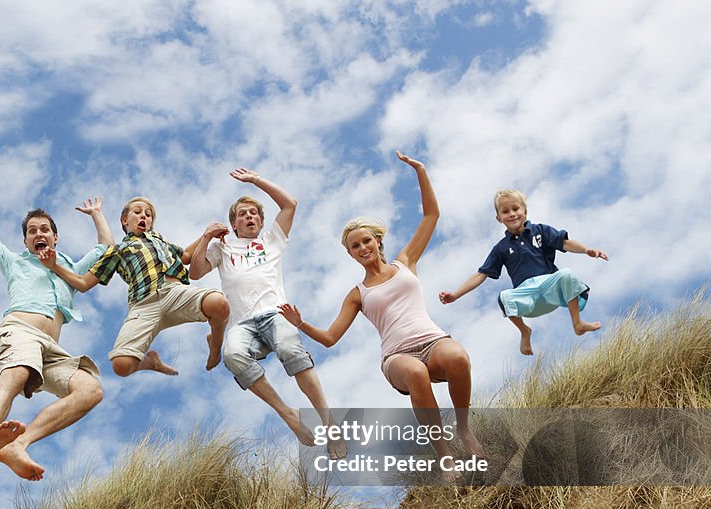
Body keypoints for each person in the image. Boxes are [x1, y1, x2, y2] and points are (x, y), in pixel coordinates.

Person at [279, 152, 484, 472]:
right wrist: (300, 322)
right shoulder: (357, 294)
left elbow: (431, 215)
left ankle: (463, 428)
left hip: (433, 341)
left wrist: (420, 171)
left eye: (365, 242)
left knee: (458, 357)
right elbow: (331, 338)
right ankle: (444, 454)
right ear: (350, 254)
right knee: (416, 374)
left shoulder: (405, 263)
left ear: (377, 241)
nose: (362, 249)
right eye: (354, 247)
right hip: (397, 357)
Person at [188, 168, 344, 457]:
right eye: (243, 214)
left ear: (260, 221)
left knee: (289, 349)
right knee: (232, 356)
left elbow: (290, 204)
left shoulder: (272, 240)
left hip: (275, 313)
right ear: (233, 224)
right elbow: (195, 273)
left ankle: (328, 422)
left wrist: (256, 180)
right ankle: (289, 415)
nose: (249, 217)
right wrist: (206, 236)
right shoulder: (223, 247)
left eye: (254, 214)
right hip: (241, 324)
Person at [0, 194, 109, 478]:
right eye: (32, 231)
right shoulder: (15, 262)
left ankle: (18, 444)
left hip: (51, 349)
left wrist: (97, 215)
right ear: (26, 241)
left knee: (91, 391)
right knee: (16, 373)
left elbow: (105, 249)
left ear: (55, 237)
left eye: (44, 230)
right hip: (18, 331)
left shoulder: (71, 271)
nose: (38, 234)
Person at [41, 196, 230, 377]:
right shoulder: (118, 250)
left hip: (175, 293)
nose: (144, 217)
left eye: (148, 215)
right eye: (138, 212)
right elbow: (83, 284)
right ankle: (150, 362)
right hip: (143, 305)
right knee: (121, 365)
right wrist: (54, 266)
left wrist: (207, 234)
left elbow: (187, 255)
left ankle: (215, 345)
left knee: (219, 303)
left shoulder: (160, 241)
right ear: (124, 220)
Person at [439, 188, 608, 355]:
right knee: (504, 297)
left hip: (550, 288)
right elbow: (481, 274)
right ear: (499, 218)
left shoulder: (540, 230)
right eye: (505, 211)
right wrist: (455, 295)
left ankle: (577, 323)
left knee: (566, 274)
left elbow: (565, 243)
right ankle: (524, 331)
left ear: (525, 211)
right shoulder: (501, 248)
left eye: (515, 209)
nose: (512, 214)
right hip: (528, 297)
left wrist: (586, 250)